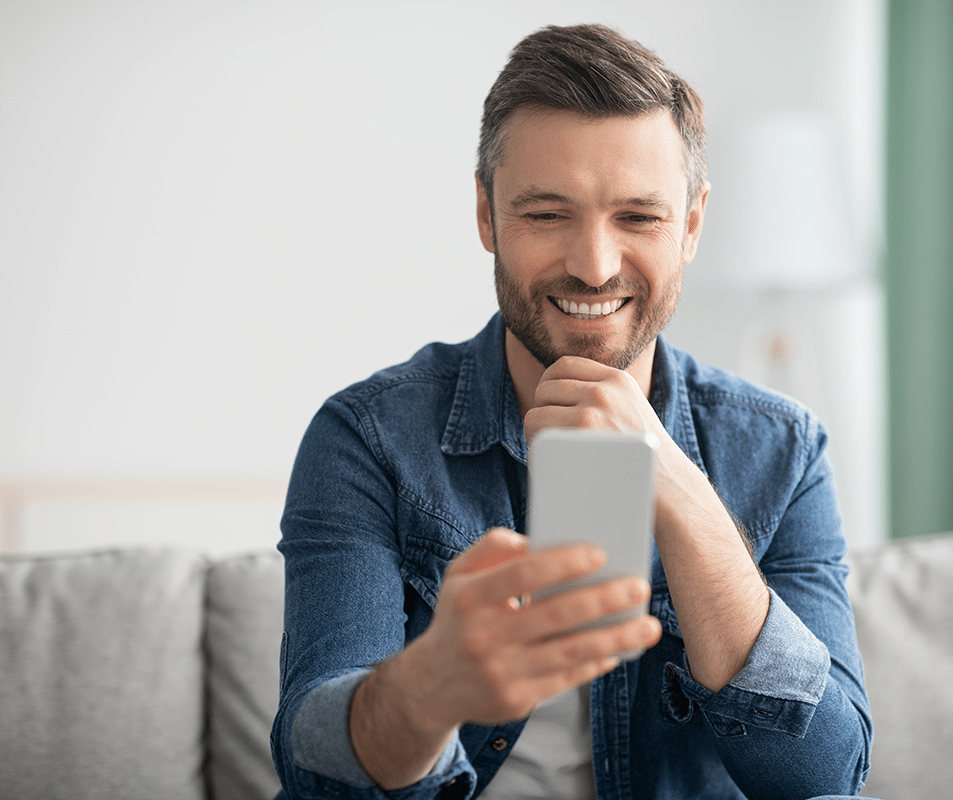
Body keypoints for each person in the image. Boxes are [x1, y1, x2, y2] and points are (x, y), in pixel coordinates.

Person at [271, 23, 872, 800]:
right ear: (487, 216)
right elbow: (314, 768)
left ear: (690, 226)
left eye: (639, 217)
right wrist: (427, 688)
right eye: (547, 214)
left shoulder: (783, 451)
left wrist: (675, 487)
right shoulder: (369, 438)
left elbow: (828, 777)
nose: (593, 265)